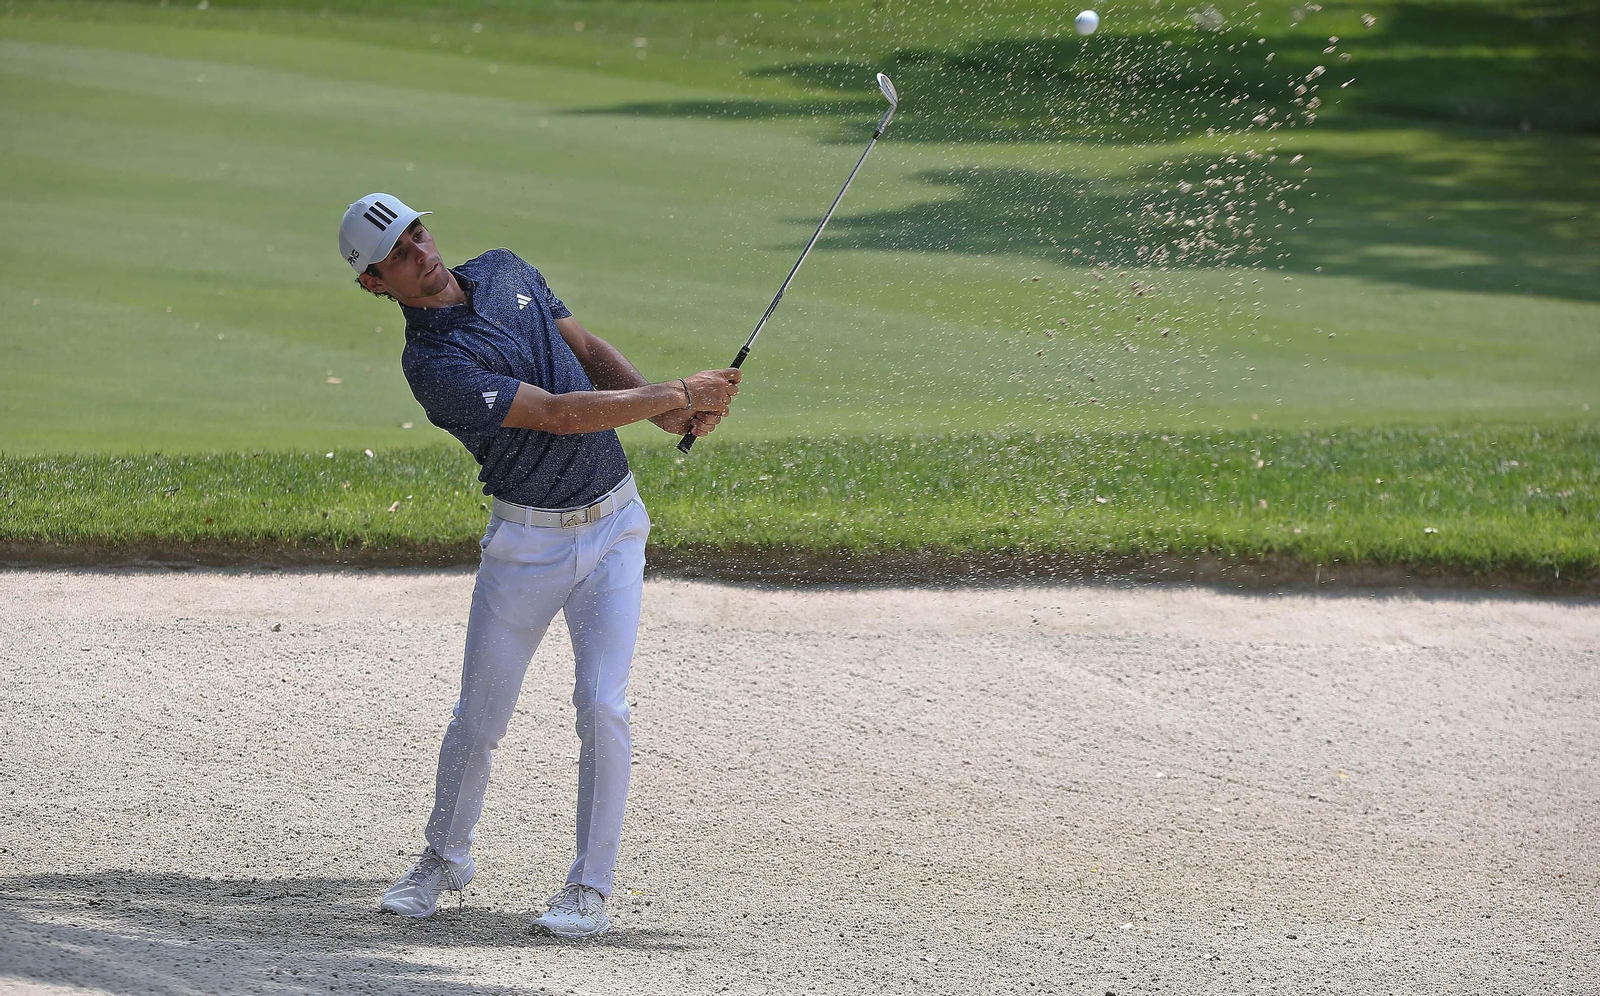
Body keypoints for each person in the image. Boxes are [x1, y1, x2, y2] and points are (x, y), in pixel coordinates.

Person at [338, 192, 739, 938]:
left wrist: (664, 411)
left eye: (415, 232)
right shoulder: (433, 364)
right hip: (527, 546)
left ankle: (589, 888)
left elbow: (585, 352)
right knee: (479, 719)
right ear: (374, 283)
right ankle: (444, 857)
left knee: (602, 703)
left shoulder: (505, 269)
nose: (418, 252)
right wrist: (679, 391)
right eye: (395, 254)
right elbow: (557, 410)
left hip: (614, 523)